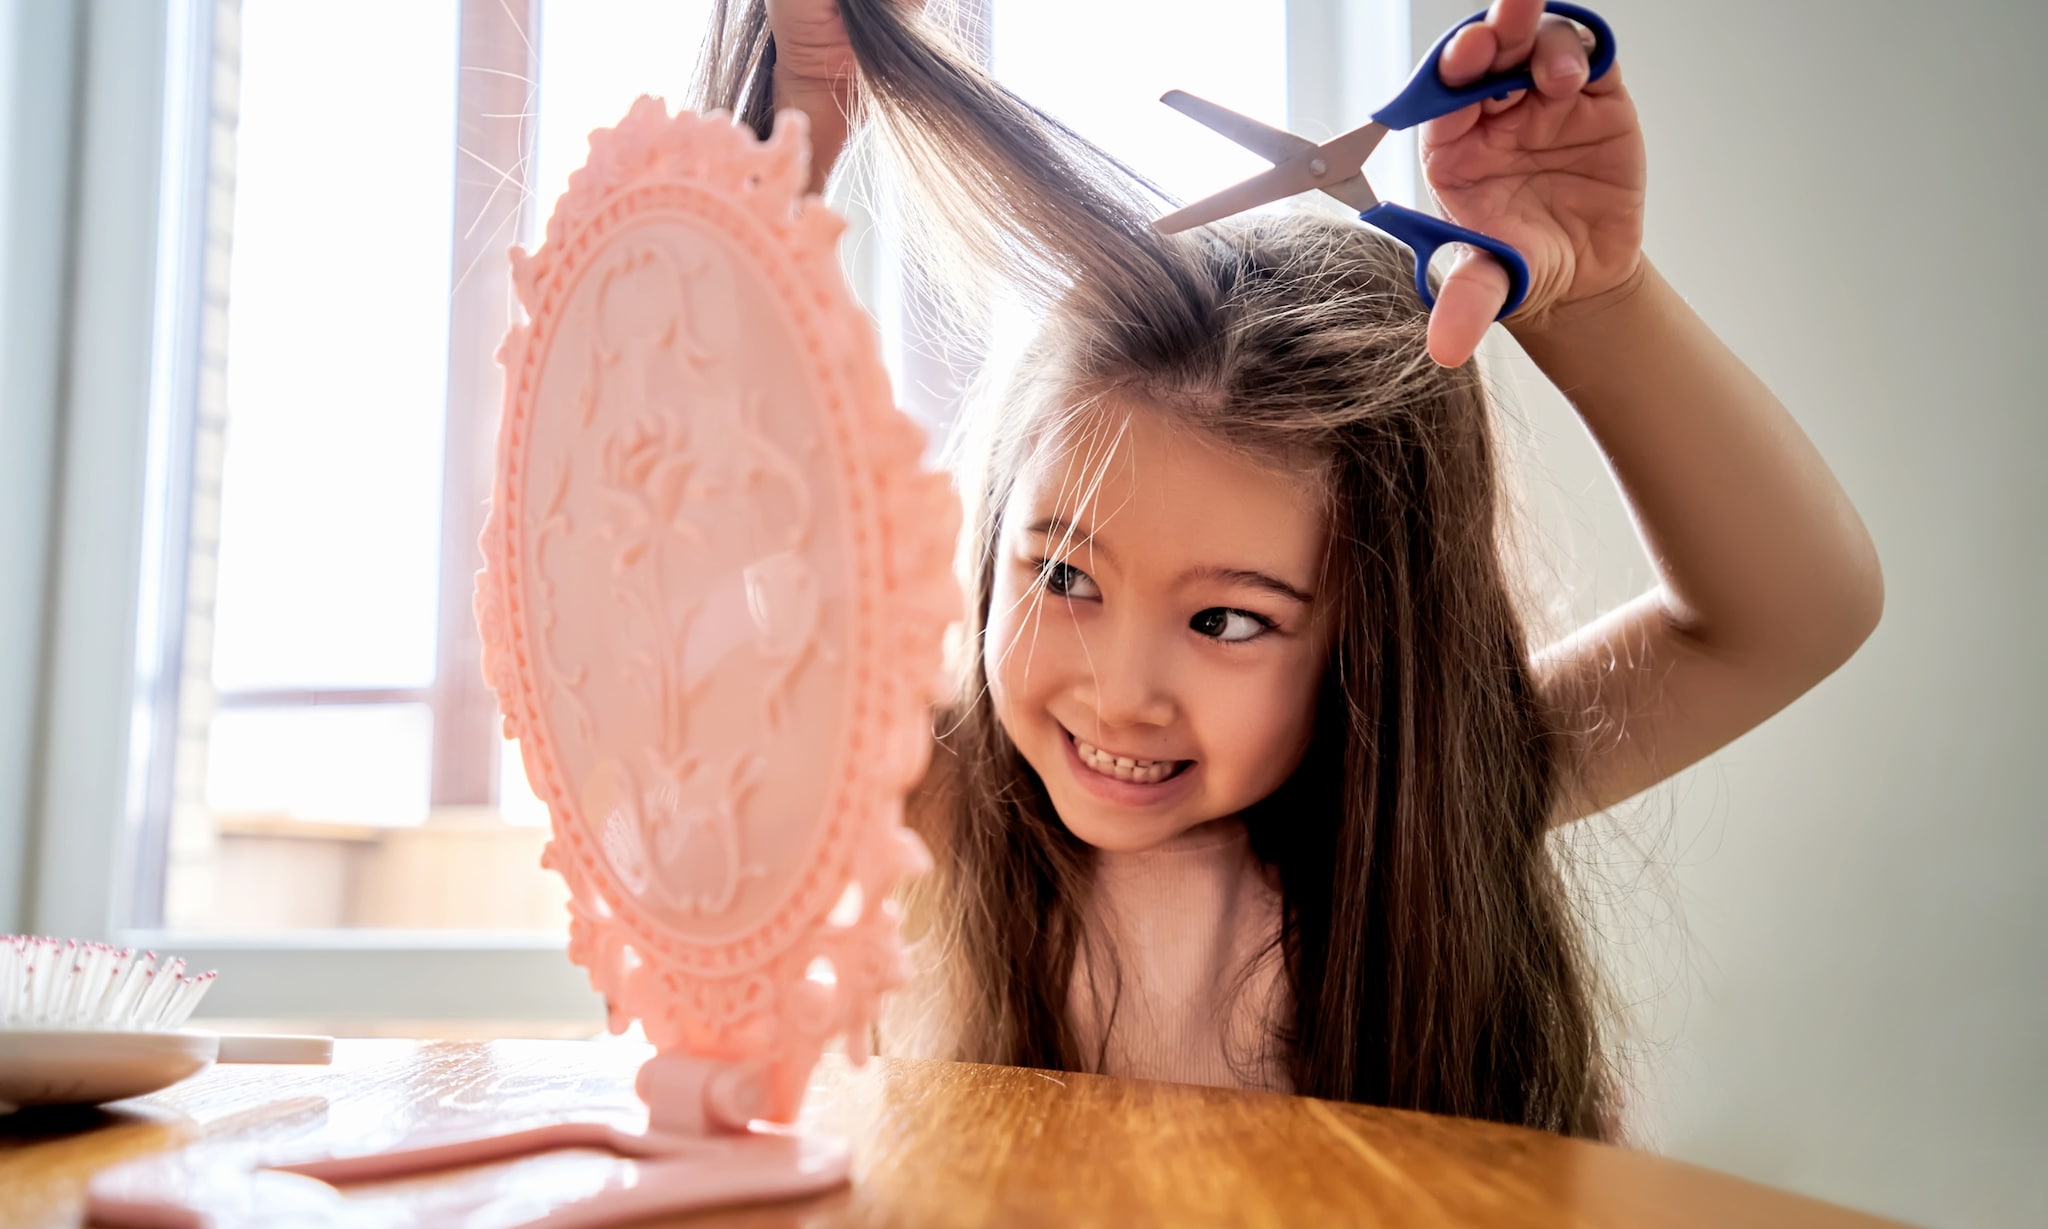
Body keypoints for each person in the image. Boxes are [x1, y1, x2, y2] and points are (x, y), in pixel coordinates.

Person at [691, 0, 1883, 1139]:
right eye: (1063, 579)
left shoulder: (1447, 789)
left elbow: (1790, 615)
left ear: (1373, 632)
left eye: (1224, 619)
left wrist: (1600, 297)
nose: (1119, 692)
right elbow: (678, 542)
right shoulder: (953, 790)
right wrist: (785, 153)